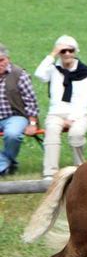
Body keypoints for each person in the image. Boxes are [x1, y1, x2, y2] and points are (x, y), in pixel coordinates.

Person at [35, 35, 87, 179]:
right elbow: (39, 74)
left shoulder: (84, 72)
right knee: (52, 133)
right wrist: (52, 54)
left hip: (79, 114)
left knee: (76, 134)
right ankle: (50, 172)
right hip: (56, 113)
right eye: (63, 51)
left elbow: (83, 100)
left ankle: (79, 168)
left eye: (70, 50)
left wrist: (72, 119)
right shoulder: (53, 69)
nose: (67, 54)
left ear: (75, 52)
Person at [0, 43, 40, 176]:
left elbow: (31, 101)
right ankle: (7, 164)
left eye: (1, 60)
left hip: (15, 116)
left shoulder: (19, 74)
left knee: (12, 134)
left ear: (8, 59)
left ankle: (3, 165)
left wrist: (32, 123)